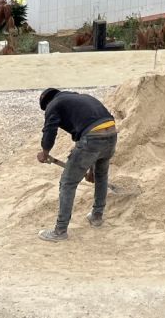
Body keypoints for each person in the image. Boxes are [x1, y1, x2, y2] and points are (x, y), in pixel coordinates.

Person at [36, 87, 118, 242]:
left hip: (92, 138)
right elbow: (95, 126)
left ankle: (60, 231)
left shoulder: (53, 104)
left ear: (47, 103)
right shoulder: (81, 99)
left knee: (68, 183)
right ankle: (97, 216)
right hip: (111, 134)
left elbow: (50, 131)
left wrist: (45, 152)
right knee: (101, 175)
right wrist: (91, 170)